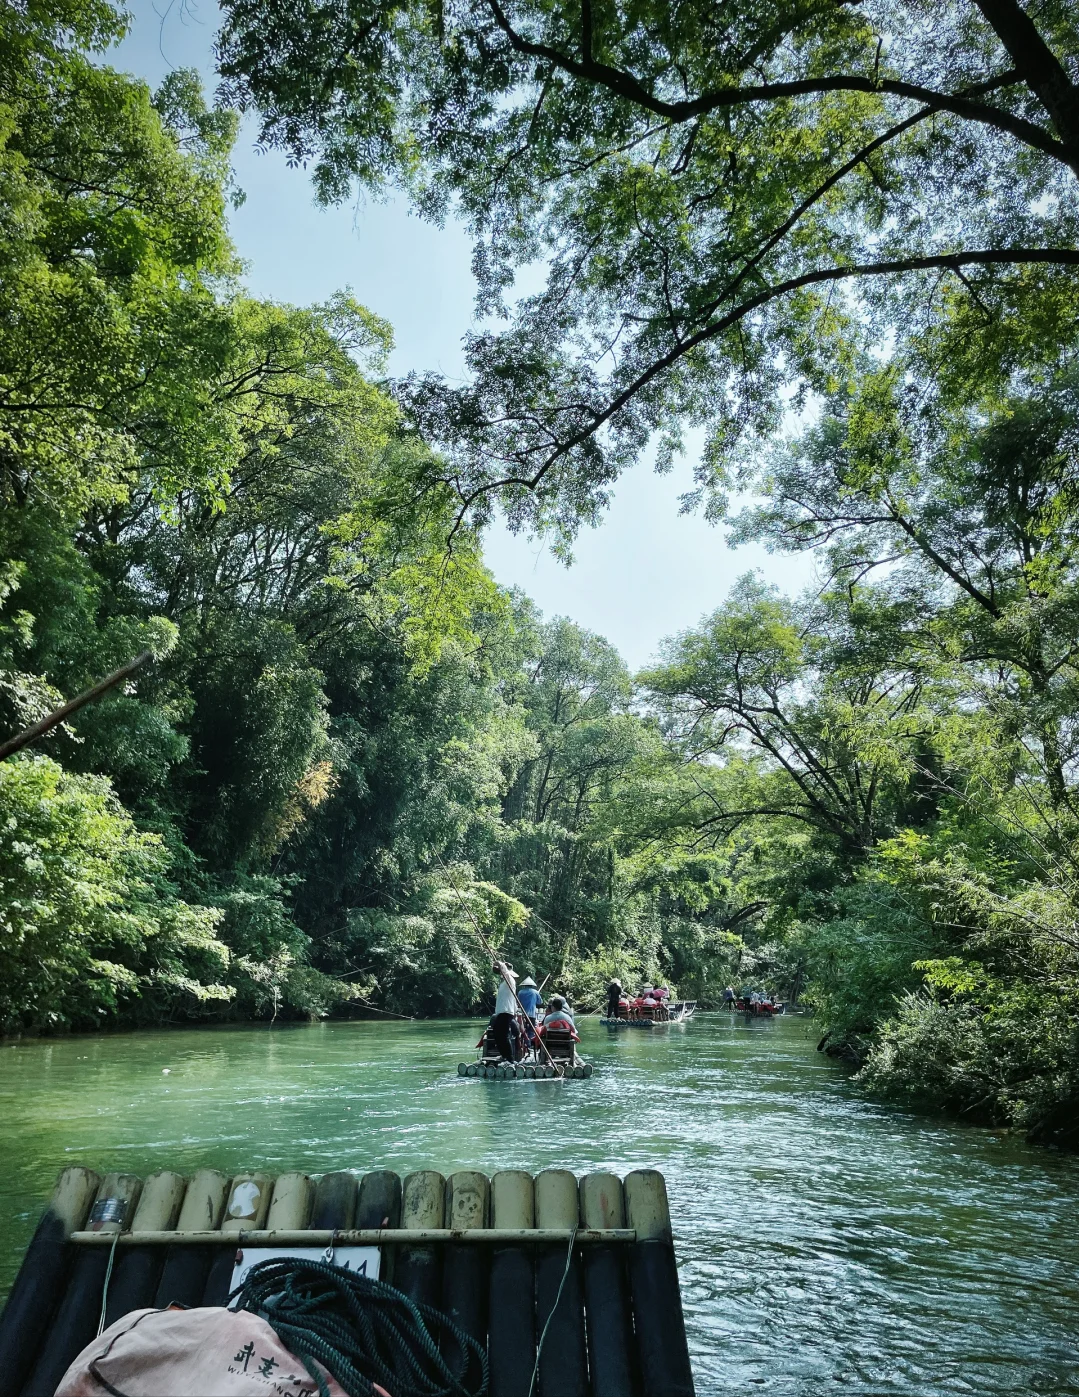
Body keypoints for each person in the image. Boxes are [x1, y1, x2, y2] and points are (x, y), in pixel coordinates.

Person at [491, 961, 521, 1060]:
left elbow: (504, 970)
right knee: (496, 1033)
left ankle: (510, 1059)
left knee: (503, 1035)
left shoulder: (510, 980)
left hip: (506, 1011)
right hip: (501, 1011)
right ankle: (504, 1055)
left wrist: (499, 963)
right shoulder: (504, 983)